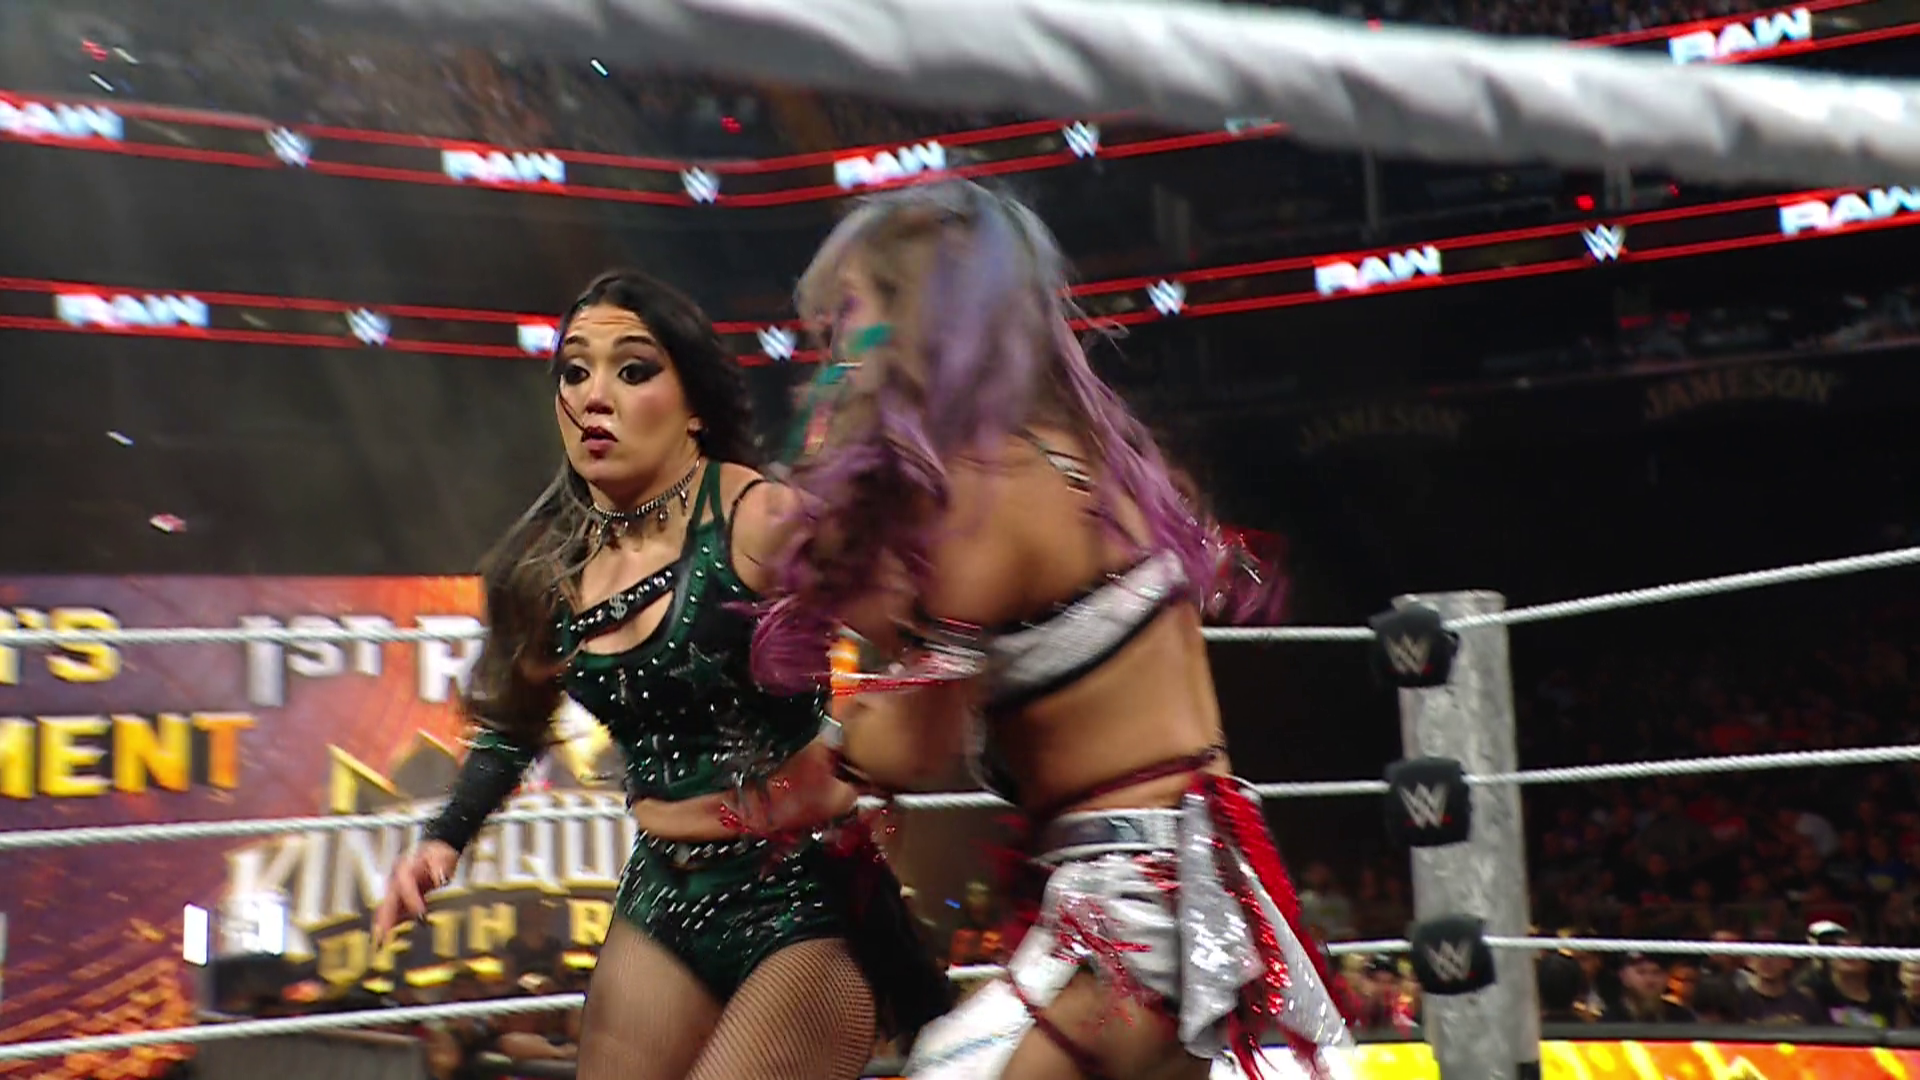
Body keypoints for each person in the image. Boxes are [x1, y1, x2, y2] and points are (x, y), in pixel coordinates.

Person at [750, 180, 1353, 1080]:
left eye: (850, 311)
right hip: (1183, 891)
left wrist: (836, 735)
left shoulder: (982, 491)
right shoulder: (1085, 456)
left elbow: (912, 746)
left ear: (920, 319)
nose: (832, 345)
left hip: (1134, 918)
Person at [372, 270, 949, 1080]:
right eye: (575, 371)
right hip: (661, 893)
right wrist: (444, 839)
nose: (593, 397)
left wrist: (870, 751)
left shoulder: (759, 519)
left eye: (633, 370)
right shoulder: (553, 565)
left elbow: (926, 621)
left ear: (695, 405)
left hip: (798, 896)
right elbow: (514, 724)